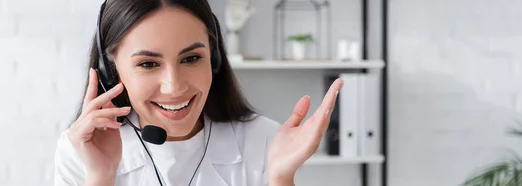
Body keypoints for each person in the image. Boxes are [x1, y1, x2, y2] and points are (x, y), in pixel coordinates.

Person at [53, 0, 344, 185]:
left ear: (214, 58)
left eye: (191, 58)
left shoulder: (264, 141)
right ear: (110, 70)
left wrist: (281, 178)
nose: (174, 86)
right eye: (148, 64)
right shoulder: (81, 150)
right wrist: (101, 177)